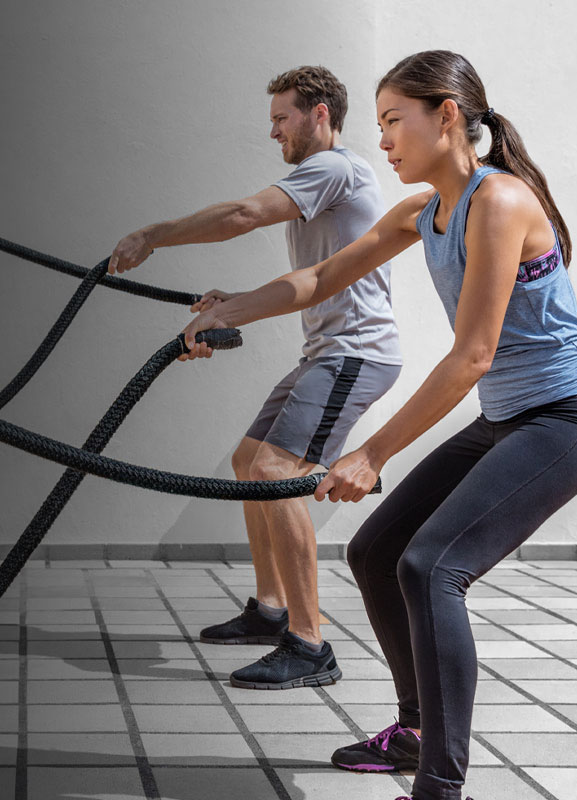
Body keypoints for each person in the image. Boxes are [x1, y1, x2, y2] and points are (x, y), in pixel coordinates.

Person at [180, 50, 577, 800]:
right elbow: (320, 277)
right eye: (378, 125)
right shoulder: (420, 210)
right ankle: (412, 733)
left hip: (570, 416)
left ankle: (440, 783)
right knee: (377, 551)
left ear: (447, 116)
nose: (382, 142)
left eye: (393, 122)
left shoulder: (498, 200)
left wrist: (372, 453)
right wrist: (228, 309)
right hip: (510, 414)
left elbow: (471, 356)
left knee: (432, 566)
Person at [108, 65, 403, 690]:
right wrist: (232, 301)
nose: (273, 131)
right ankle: (272, 611)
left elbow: (244, 214)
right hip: (328, 348)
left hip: (357, 353)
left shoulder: (334, 167)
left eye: (281, 118)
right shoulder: (321, 184)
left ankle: (308, 642)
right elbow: (315, 282)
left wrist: (155, 235)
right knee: (250, 461)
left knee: (277, 472)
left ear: (319, 113)